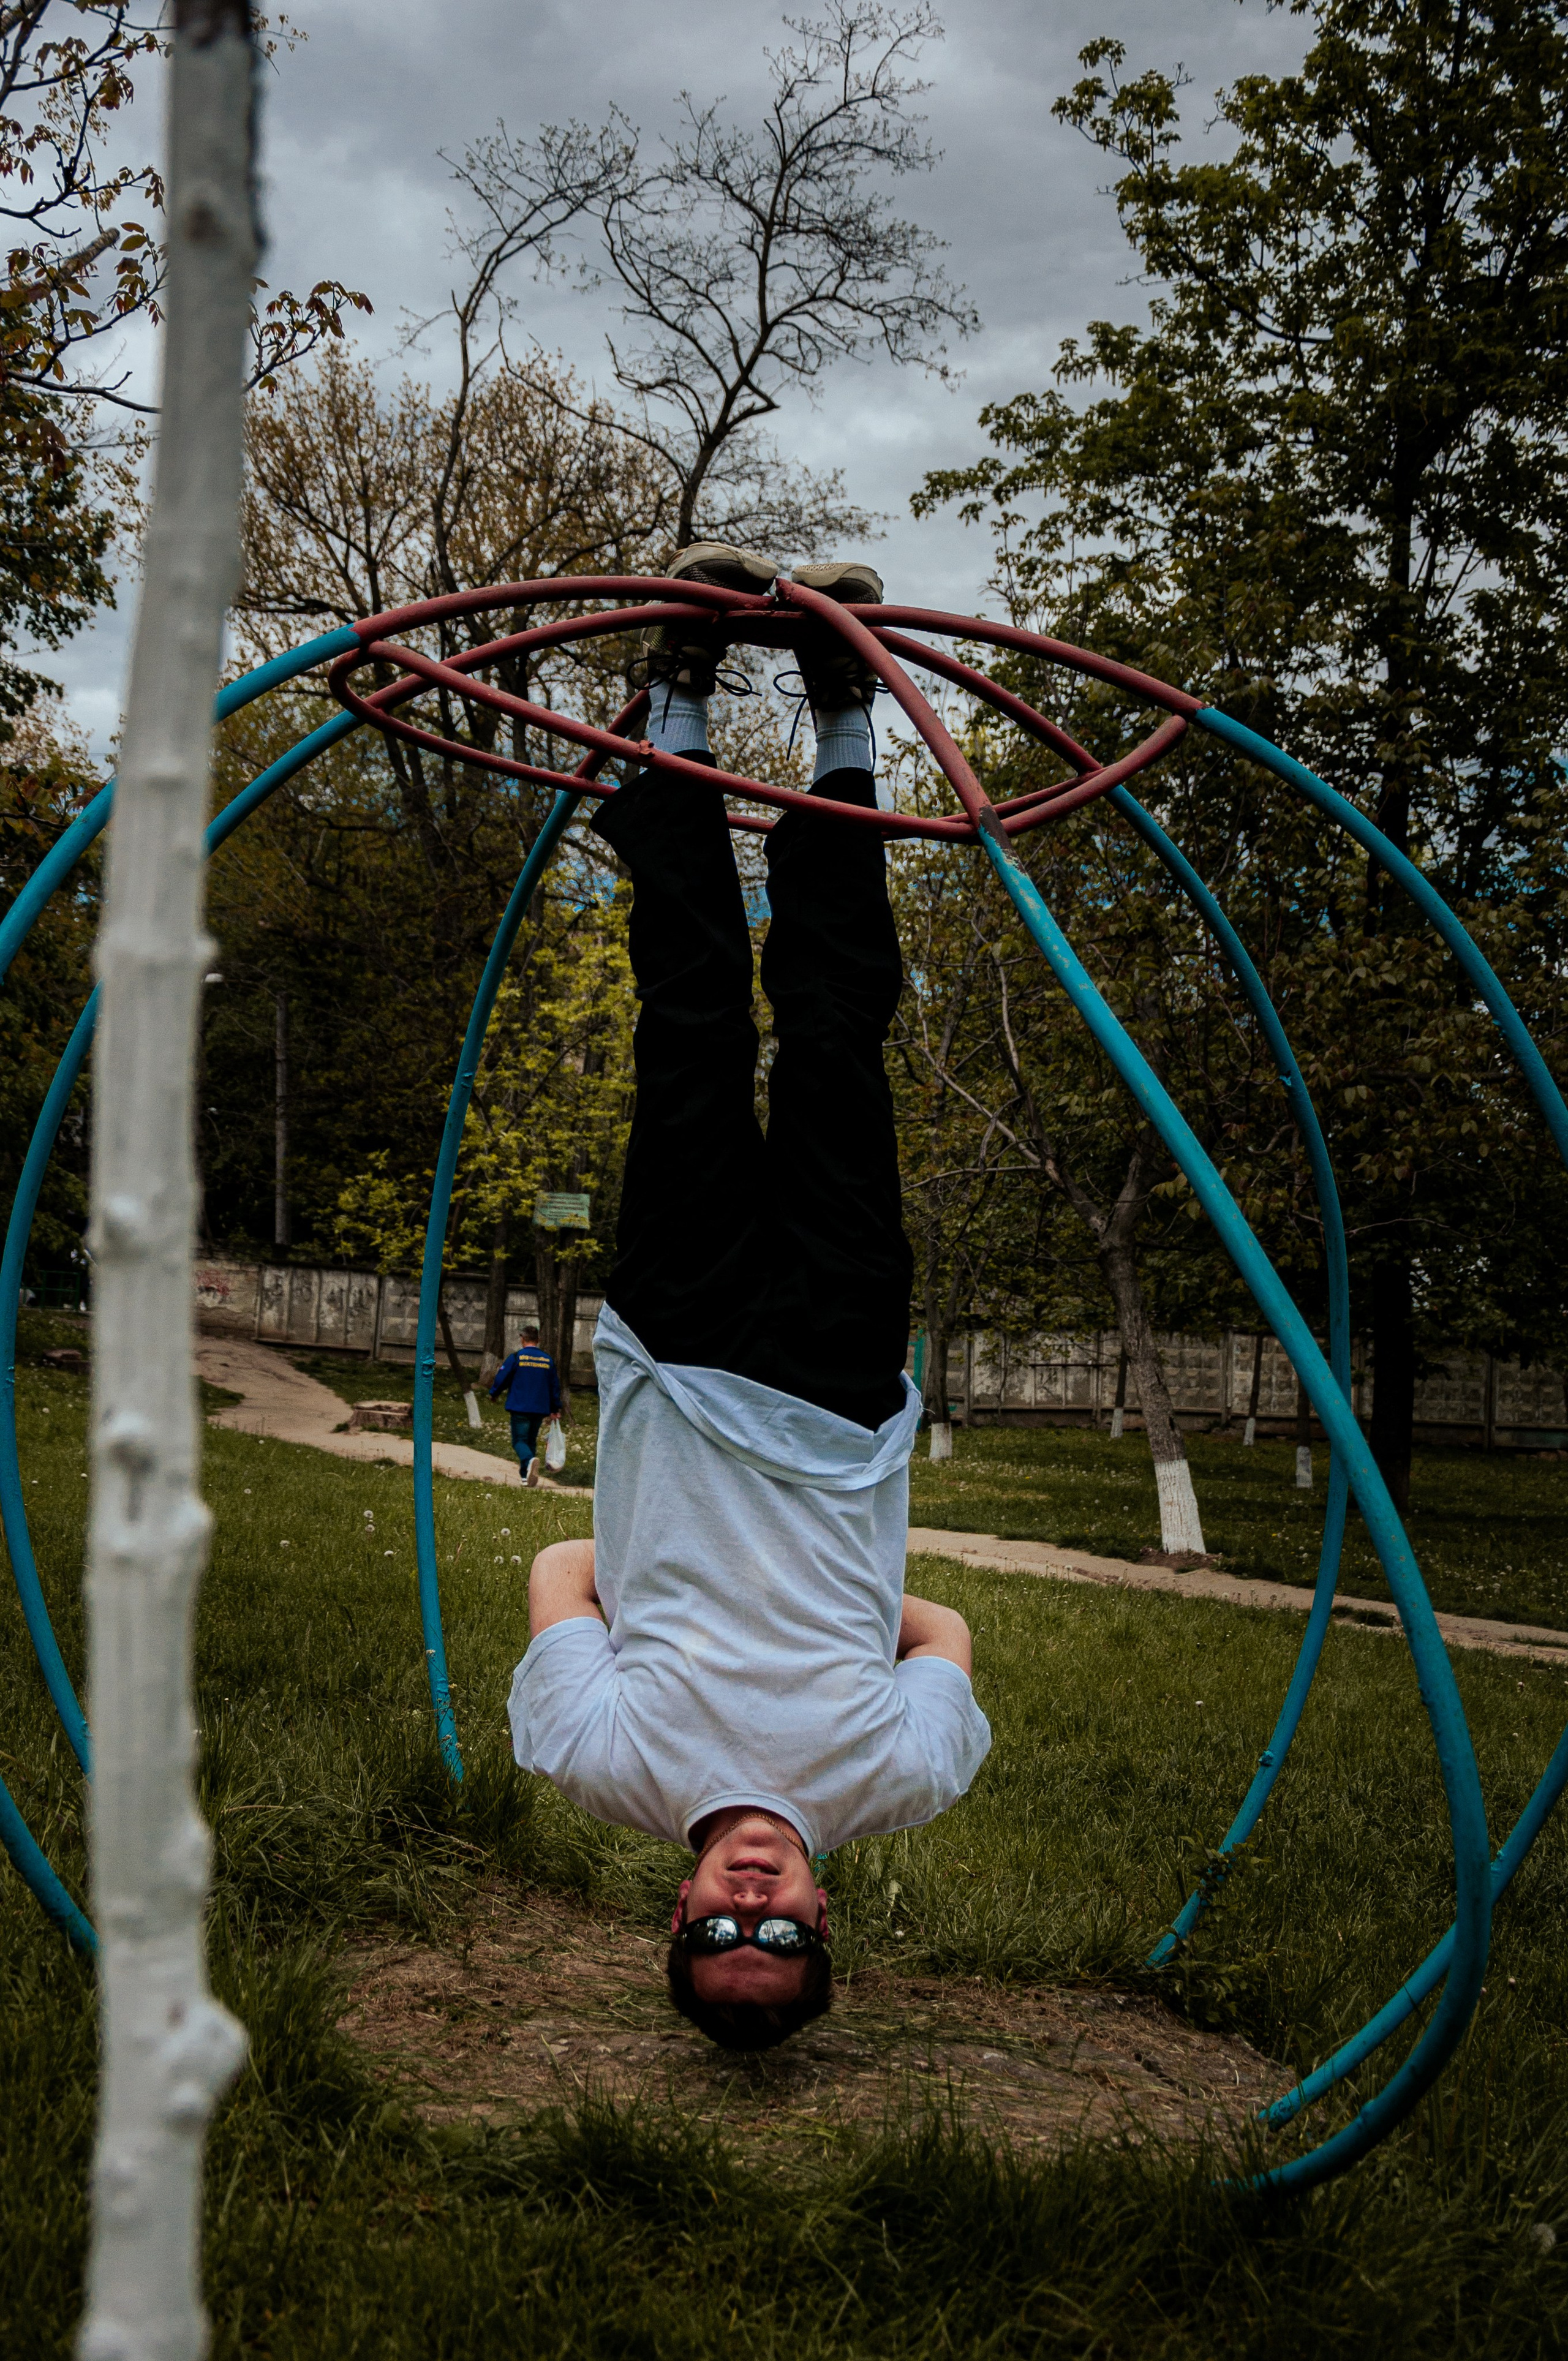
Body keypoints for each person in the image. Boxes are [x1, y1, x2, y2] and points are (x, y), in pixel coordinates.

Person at [508, 544, 990, 2052]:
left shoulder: (600, 1762)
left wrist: (684, 1565)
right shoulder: (897, 1780)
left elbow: (559, 1566)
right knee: (838, 1042)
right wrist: (817, 1586)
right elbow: (942, 1627)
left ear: (676, 1911)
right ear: (822, 1919)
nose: (751, 1906)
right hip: (844, 1388)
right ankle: (844, 714)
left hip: (681, 1345)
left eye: (719, 1935)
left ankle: (678, 701)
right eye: (776, 1940)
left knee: (693, 1029)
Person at [488, 1324, 561, 1486]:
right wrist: (555, 1408)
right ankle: (525, 1477)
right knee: (531, 1440)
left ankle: (528, 1462)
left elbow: (503, 1377)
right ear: (538, 1340)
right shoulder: (547, 1360)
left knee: (519, 1441)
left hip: (520, 1407)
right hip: (539, 1409)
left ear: (522, 1339)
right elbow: (554, 1387)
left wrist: (494, 1393)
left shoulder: (517, 1357)